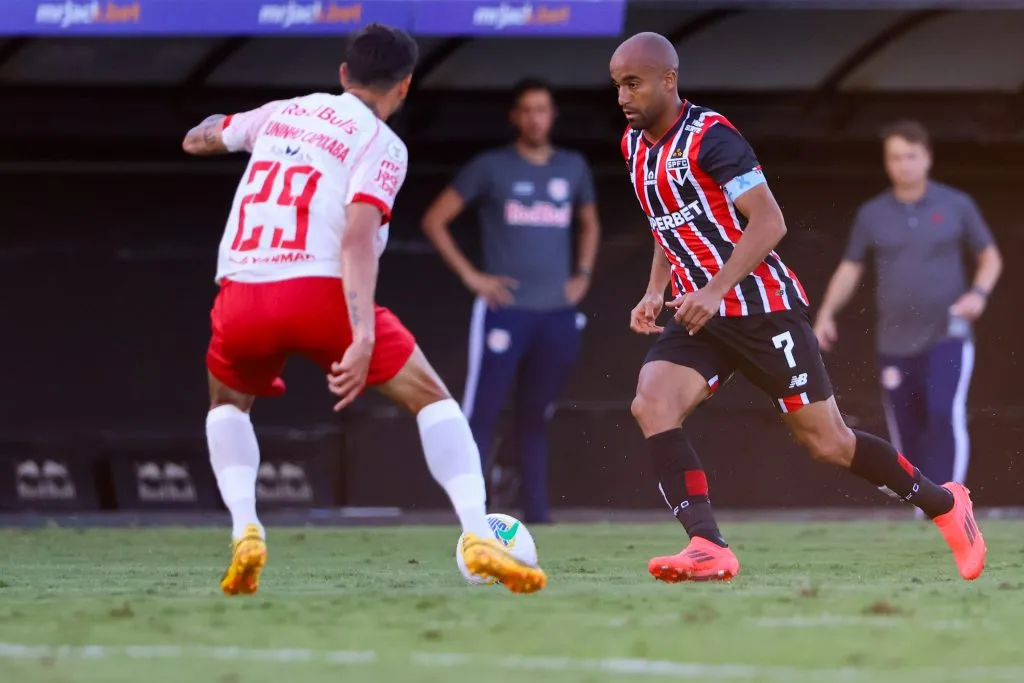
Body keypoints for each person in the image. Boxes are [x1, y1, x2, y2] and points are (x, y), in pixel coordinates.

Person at [180, 23, 546, 596]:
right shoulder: (381, 143)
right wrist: (362, 334)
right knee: (433, 399)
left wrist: (218, 128)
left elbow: (199, 138)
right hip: (318, 289)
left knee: (228, 405)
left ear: (344, 73)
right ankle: (477, 533)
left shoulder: (281, 113)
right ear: (404, 86)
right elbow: (355, 239)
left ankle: (246, 529)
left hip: (242, 290)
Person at [609, 32, 986, 583]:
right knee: (652, 403)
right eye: (618, 85)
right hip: (701, 315)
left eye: (633, 83)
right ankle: (707, 544)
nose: (623, 97)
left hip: (763, 310)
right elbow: (666, 222)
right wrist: (653, 289)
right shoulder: (633, 144)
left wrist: (714, 290)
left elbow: (770, 222)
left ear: (669, 80)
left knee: (827, 443)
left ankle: (946, 505)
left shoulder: (711, 137)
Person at [421, 78, 601, 524]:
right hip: (505, 310)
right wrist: (472, 276)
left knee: (535, 416)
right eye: (527, 110)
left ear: (552, 114)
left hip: (556, 313)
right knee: (481, 413)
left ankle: (537, 514)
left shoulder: (573, 166)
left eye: (542, 109)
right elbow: (435, 219)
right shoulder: (491, 166)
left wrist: (582, 275)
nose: (535, 118)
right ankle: (471, 516)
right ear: (515, 117)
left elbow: (590, 222)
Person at [814, 120, 1002, 496]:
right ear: (887, 162)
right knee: (906, 424)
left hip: (948, 331)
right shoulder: (872, 213)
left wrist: (978, 294)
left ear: (927, 158)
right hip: (894, 339)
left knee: (943, 411)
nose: (904, 165)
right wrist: (826, 314)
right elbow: (851, 267)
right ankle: (919, 504)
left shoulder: (956, 204)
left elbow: (990, 257)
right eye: (896, 157)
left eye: (911, 156)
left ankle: (950, 501)